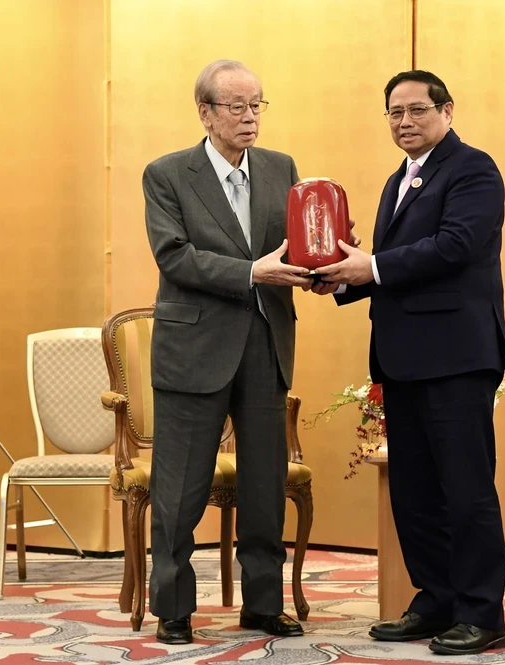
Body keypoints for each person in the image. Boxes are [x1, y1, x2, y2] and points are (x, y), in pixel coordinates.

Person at [313, 70, 505, 656]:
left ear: (447, 110)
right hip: (402, 359)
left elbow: (455, 246)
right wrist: (339, 281)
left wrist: (368, 269)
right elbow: (395, 265)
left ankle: (481, 613)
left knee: (467, 490)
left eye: (417, 110)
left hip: (456, 357)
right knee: (416, 490)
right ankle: (435, 599)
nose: (405, 122)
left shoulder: (474, 169)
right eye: (395, 113)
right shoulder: (395, 181)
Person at [142, 59, 313, 645]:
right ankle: (174, 607)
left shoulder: (279, 167)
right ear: (206, 113)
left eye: (257, 104)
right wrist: (251, 272)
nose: (250, 117)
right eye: (236, 106)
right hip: (194, 348)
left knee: (265, 484)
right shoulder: (167, 174)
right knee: (180, 489)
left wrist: (321, 256)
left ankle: (263, 603)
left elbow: (289, 248)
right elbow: (174, 257)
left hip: (266, 341)